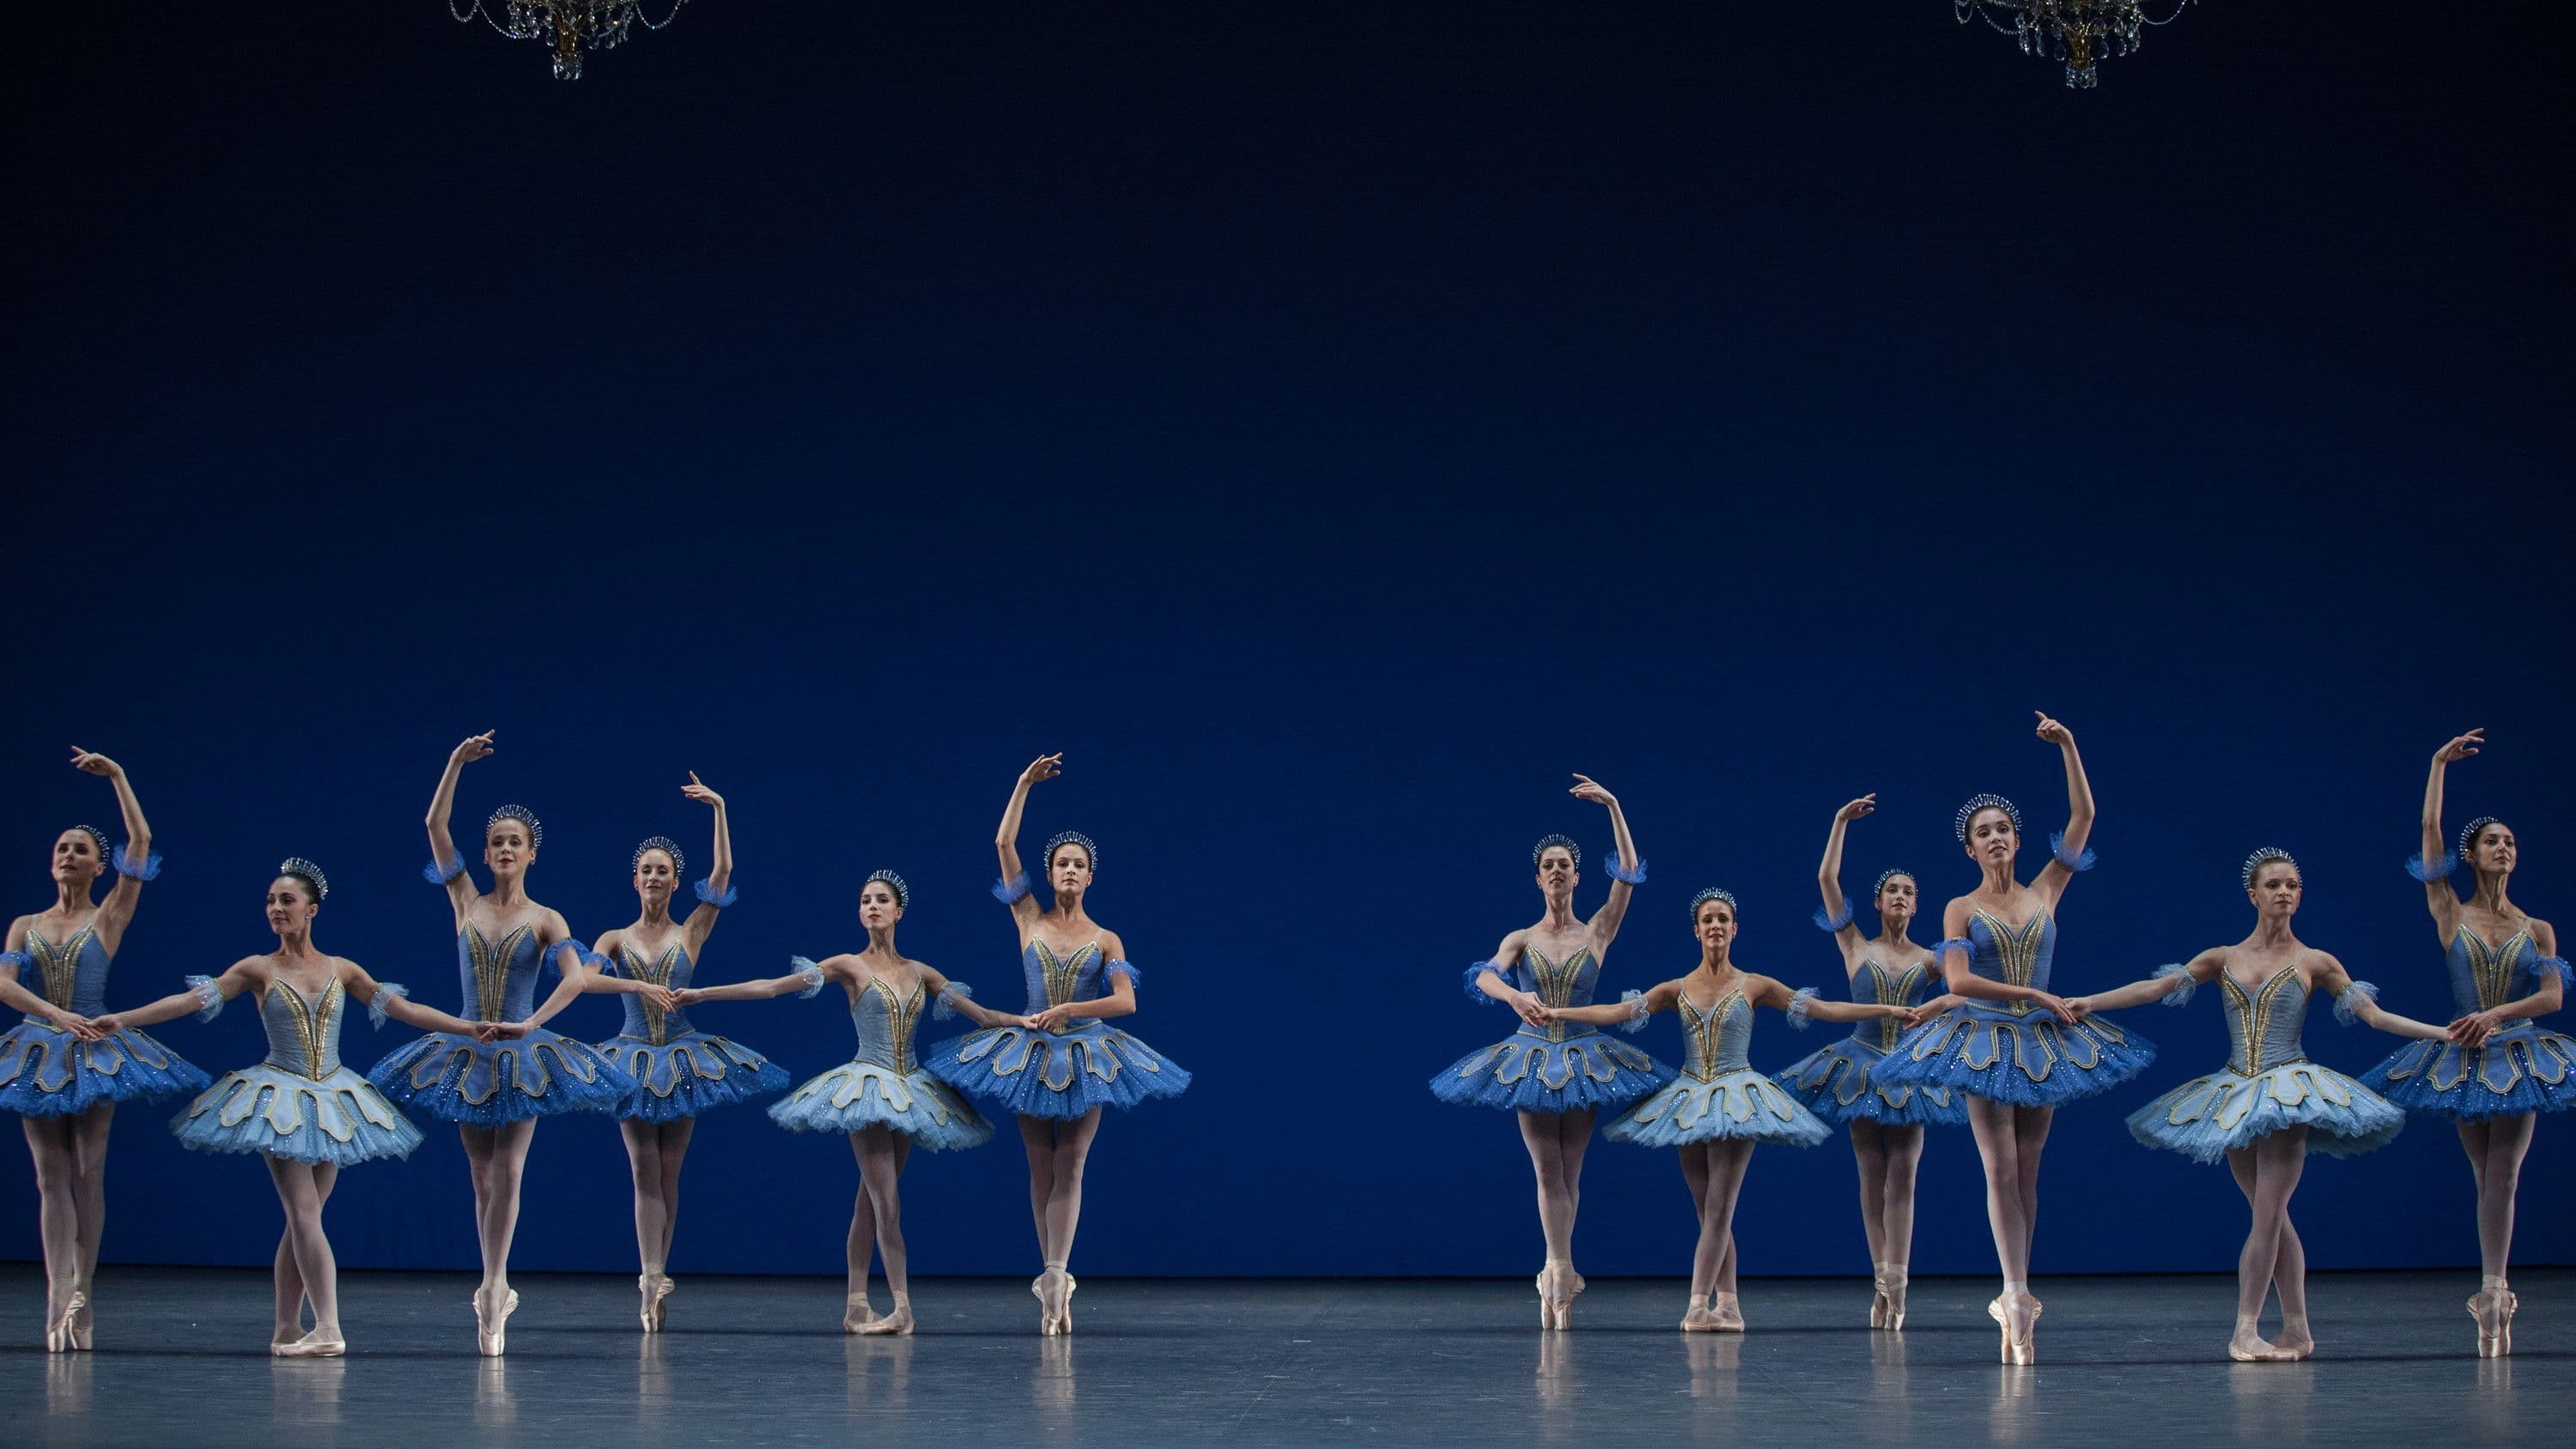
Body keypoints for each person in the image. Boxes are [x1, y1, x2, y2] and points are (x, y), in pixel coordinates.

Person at [87, 858, 505, 1357]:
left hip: (333, 1099)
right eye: (270, 900)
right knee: (304, 1214)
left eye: (286, 900)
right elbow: (189, 1001)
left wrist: (467, 1027)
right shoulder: (257, 968)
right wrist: (123, 1018)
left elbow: (404, 1009)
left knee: (303, 1219)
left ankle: (287, 1327)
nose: (275, 908)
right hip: (279, 1099)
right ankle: (328, 1326)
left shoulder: (340, 968)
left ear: (312, 910)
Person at [2075, 849, 2441, 1361]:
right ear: (2254, 895)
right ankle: (2298, 1330)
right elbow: (2156, 987)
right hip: (2234, 1092)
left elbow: (2376, 1017)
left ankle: (2245, 1329)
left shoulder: (2316, 961)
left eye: (2293, 884)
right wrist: (2090, 1001)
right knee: (2272, 1216)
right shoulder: (2223, 958)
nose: (2285, 892)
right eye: (2274, 885)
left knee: (2268, 1216)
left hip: (2289, 1092)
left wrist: (2441, 1033)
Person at [1871, 713, 2155, 1364]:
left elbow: (2084, 817)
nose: (1994, 838)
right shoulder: (1958, 908)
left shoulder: (2047, 890)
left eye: (2002, 829)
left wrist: (2071, 746)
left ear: (2017, 839)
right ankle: (2015, 1290)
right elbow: (1961, 978)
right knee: (1998, 1164)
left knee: (2028, 1169)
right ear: (1969, 849)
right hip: (1984, 1040)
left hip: (2043, 1043)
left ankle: (2018, 1294)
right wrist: (2029, 994)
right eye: (1982, 833)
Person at [366, 731, 638, 1355]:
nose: (506, 849)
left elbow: (577, 978)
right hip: (464, 1050)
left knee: (509, 1168)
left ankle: (494, 1287)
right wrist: (456, 762)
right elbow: (435, 824)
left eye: (516, 841)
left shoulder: (548, 920)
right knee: (481, 1174)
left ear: (532, 853)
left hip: (523, 1052)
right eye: (497, 842)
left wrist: (530, 1022)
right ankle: (492, 1284)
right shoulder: (464, 900)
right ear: (486, 854)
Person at [920, 755, 1190, 1333]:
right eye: (1063, 863)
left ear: (1092, 877)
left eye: (1079, 865)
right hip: (1029, 1053)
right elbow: (1001, 842)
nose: (1070, 870)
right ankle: (1051, 1280)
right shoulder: (1028, 918)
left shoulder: (1106, 936)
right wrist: (1022, 783)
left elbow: (1126, 1002)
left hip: (1088, 1051)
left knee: (1072, 1163)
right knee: (1039, 1165)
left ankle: (1058, 1273)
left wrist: (1069, 1008)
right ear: (1050, 873)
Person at [1582, 887, 1910, 1331]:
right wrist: (1563, 1014)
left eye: (1723, 919)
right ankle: (1730, 1306)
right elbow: (1618, 1011)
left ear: (1734, 930)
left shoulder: (1754, 984)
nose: (1715, 925)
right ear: (1696, 931)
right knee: (1706, 1212)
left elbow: (1822, 1007)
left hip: (1738, 1100)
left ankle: (1698, 1304)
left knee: (1719, 1208)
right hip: (1687, 1099)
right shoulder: (1675, 988)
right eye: (1708, 920)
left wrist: (1885, 1008)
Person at [1430, 775, 1673, 1329]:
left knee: (1572, 1169)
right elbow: (1482, 975)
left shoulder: (1597, 933)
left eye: (1566, 863)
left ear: (1577, 876)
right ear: (1538, 877)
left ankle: (1555, 1273)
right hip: (1533, 1057)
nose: (1559, 870)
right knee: (1547, 1169)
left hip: (1585, 1056)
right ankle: (1558, 1268)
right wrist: (1517, 996)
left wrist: (1614, 804)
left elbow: (1629, 877)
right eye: (1550, 864)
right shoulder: (1522, 937)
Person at [2359, 729, 2573, 1356]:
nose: (2504, 848)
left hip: (2520, 1051)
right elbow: (2428, 833)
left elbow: (2554, 998)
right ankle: (2491, 1296)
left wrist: (2498, 1013)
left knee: (2502, 1173)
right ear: (2472, 856)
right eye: (2492, 842)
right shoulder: (2450, 910)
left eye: (2510, 842)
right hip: (2462, 1056)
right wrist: (2435, 765)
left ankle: (2493, 1289)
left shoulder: (2539, 928)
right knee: (2485, 1174)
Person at [738, 870, 1012, 1333]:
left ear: (898, 911)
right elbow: (771, 987)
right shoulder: (849, 964)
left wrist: (1032, 1021)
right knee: (887, 1201)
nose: (872, 906)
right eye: (865, 900)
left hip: (910, 1092)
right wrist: (701, 993)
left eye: (882, 900)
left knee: (869, 1202)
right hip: (865, 1088)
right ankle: (903, 1308)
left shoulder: (920, 972)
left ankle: (856, 1305)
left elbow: (983, 1016)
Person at [0, 747, 205, 1351]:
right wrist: (53, 1013)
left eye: (80, 851)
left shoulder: (109, 915)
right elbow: (5, 983)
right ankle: (55, 1295)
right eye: (61, 849)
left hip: (94, 1046)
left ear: (97, 867)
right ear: (52, 863)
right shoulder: (24, 925)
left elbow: (140, 842)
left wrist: (117, 775)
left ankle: (83, 1295)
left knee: (88, 1173)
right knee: (49, 1176)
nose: (68, 856)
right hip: (39, 1051)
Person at [590, 776, 789, 1331]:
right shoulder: (612, 938)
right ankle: (648, 1277)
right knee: (641, 1168)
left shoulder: (692, 930)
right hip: (630, 1056)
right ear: (635, 880)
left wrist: (721, 808)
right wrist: (634, 987)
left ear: (675, 882)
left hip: (682, 1058)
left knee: (670, 1172)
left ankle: (659, 1275)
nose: (654, 877)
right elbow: (585, 981)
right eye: (646, 870)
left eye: (663, 871)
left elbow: (723, 875)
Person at [1772, 795, 1967, 1330]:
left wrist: (1934, 1006)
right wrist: (1839, 822)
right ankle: (1880, 1278)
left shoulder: (1930, 958)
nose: (1900, 897)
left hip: (1908, 1068)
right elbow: (1827, 880)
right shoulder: (1855, 945)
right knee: (1870, 1172)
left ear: (1916, 904)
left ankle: (1898, 1284)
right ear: (1878, 903)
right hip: (1858, 1066)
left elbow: (1964, 993)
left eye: (1908, 891)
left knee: (1903, 1174)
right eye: (1891, 891)